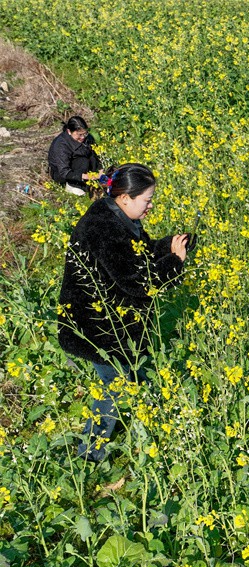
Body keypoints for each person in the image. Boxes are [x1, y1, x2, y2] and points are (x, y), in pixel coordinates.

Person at [57, 163, 189, 462]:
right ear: (126, 197)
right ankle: (89, 454)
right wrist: (175, 264)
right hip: (97, 328)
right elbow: (136, 280)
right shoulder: (102, 228)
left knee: (136, 374)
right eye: (147, 200)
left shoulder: (116, 216)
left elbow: (138, 255)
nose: (150, 206)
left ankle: (153, 426)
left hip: (116, 323)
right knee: (113, 387)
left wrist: (168, 246)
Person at [48, 116, 101, 196]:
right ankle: (72, 185)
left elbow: (94, 155)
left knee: (91, 155)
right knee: (83, 161)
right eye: (79, 135)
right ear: (69, 131)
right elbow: (64, 171)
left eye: (85, 133)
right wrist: (87, 176)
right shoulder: (61, 145)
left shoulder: (87, 138)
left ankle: (91, 182)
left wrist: (100, 171)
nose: (82, 137)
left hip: (83, 167)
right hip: (63, 173)